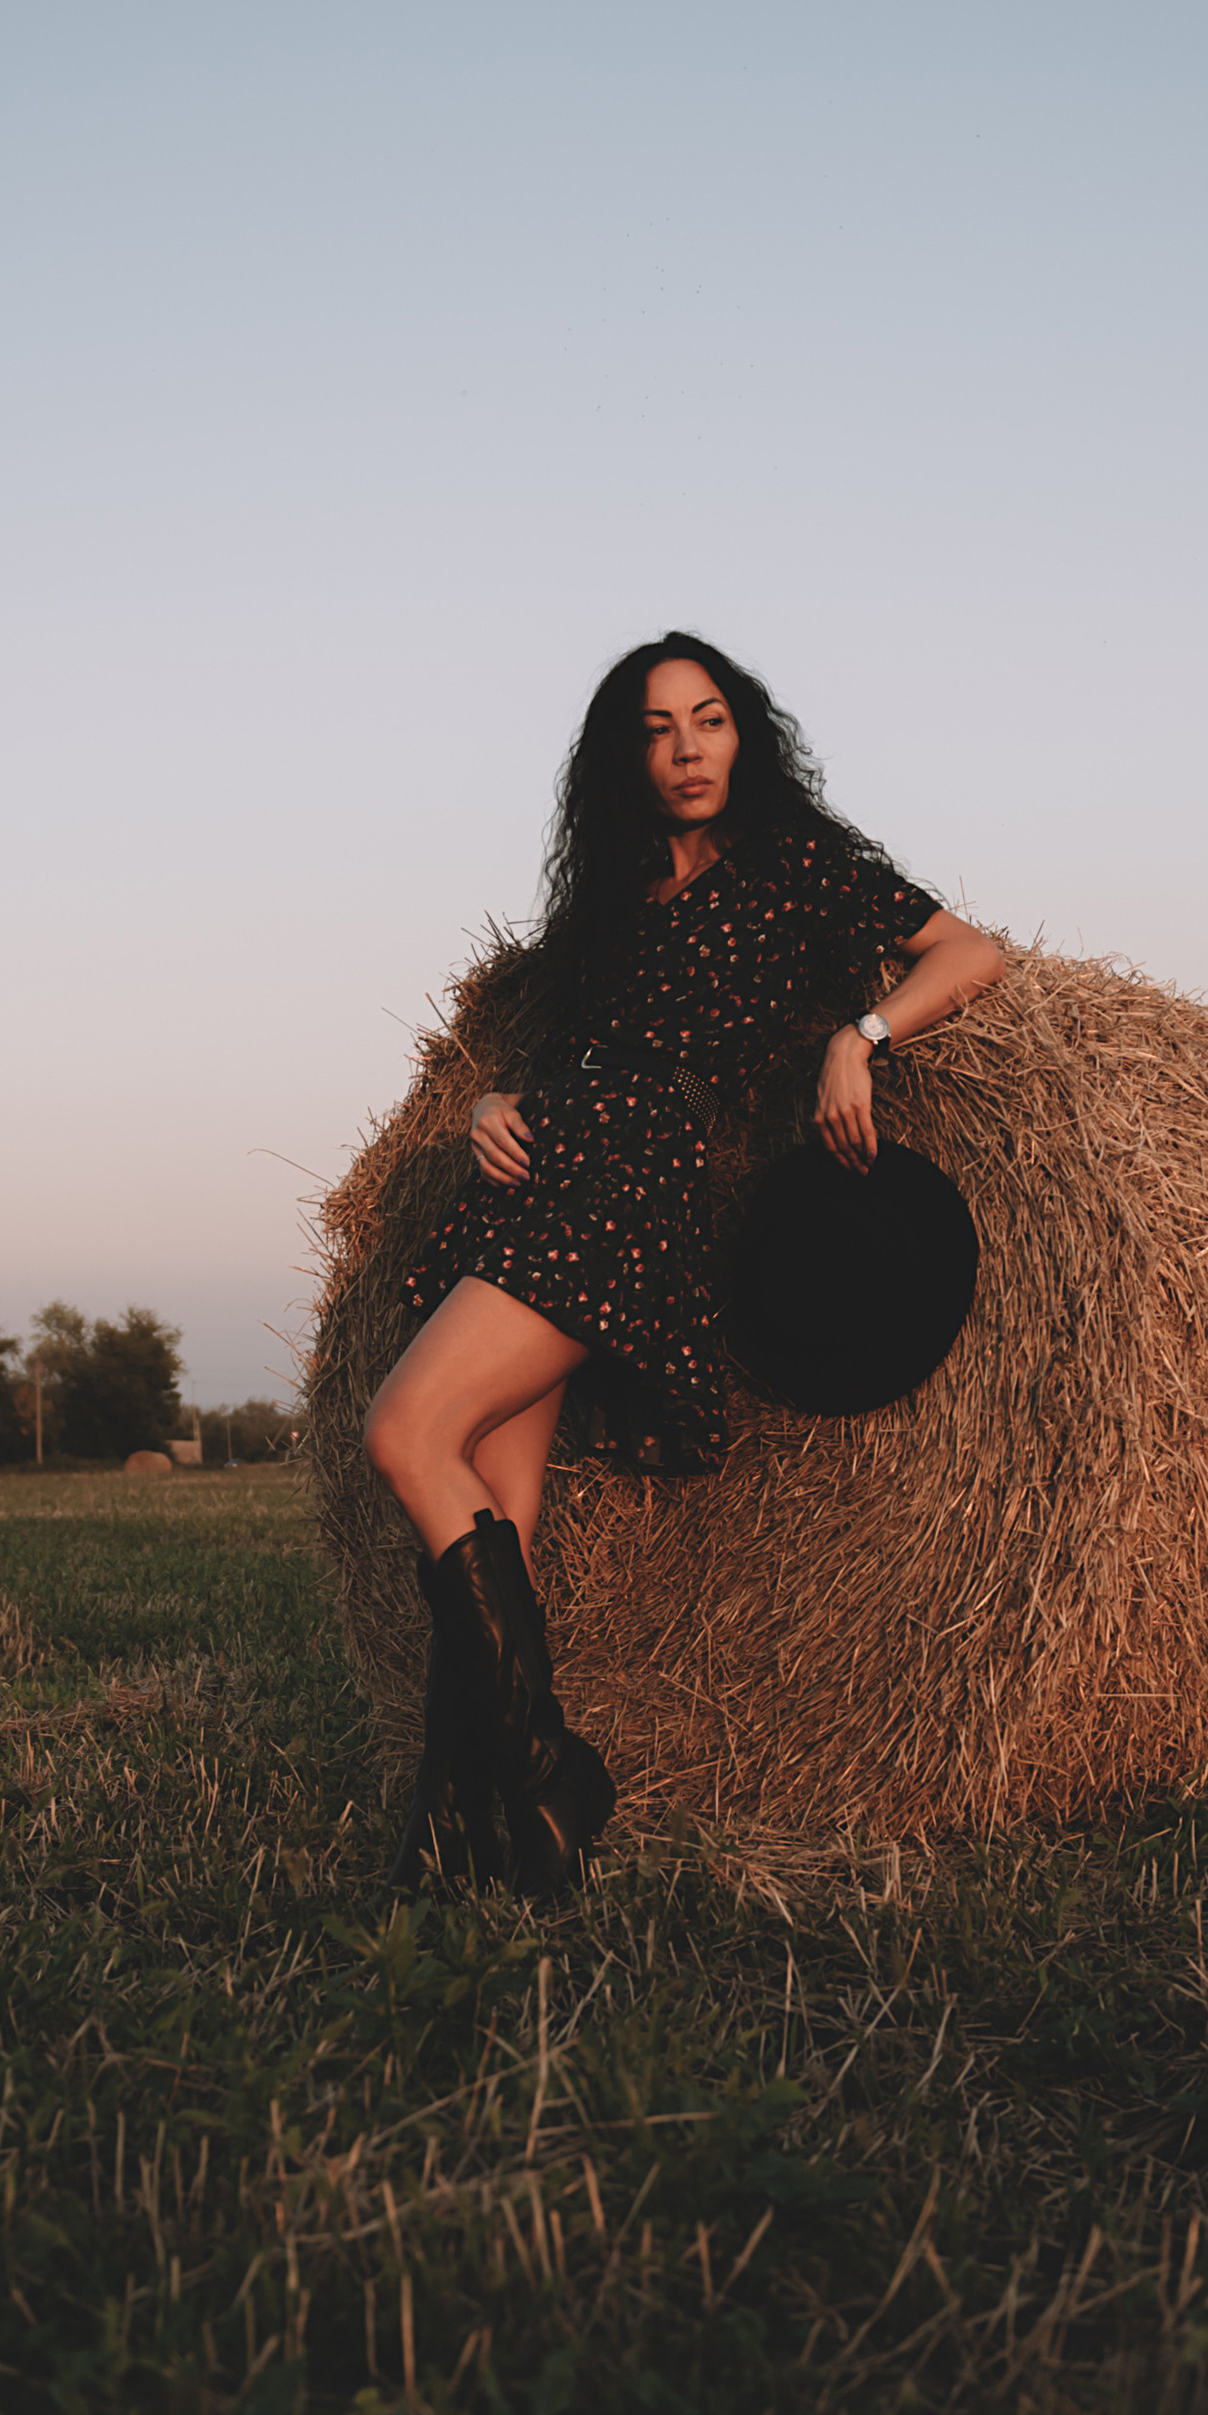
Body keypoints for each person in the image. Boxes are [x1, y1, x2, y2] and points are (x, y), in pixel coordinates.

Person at [364, 633, 1005, 1899]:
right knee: (506, 1501)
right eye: (657, 729)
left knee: (403, 1430)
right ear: (627, 756)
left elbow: (968, 951)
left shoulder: (797, 864)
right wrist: (492, 1099)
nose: (686, 748)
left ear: (742, 733)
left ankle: (550, 1773)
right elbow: (565, 1051)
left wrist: (856, 1037)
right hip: (548, 1169)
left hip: (630, 1190)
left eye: (707, 719)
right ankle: (464, 1820)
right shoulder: (609, 896)